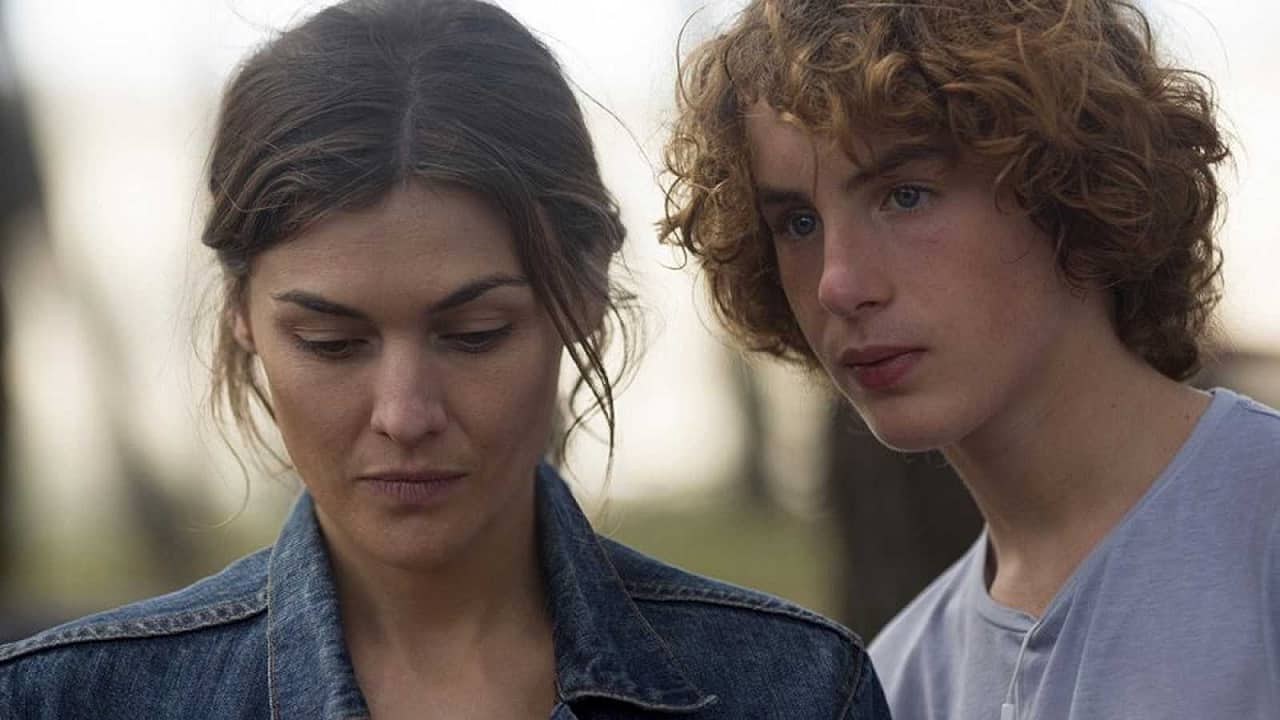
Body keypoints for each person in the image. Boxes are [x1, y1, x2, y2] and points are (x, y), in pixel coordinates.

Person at [0, 1, 893, 718]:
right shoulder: (68, 699)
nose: (405, 414)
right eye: (331, 344)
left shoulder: (792, 687)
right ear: (241, 317)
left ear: (583, 293)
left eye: (474, 334)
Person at [661, 1, 1280, 718]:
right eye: (798, 223)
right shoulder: (900, 678)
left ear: (1068, 184)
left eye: (905, 195)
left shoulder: (1261, 529)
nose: (838, 283)